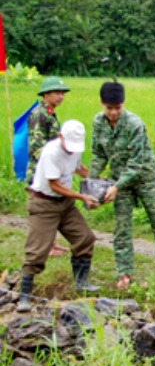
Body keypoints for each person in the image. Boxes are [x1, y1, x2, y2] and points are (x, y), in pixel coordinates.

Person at [89, 82, 155, 289]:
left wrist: (116, 187)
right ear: (101, 104)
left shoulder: (135, 124)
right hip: (120, 181)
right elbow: (99, 154)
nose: (114, 112)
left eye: (117, 107)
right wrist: (92, 180)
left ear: (123, 104)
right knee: (122, 227)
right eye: (109, 108)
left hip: (145, 178)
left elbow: (136, 163)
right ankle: (124, 273)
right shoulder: (98, 123)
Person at [17, 121, 100, 312]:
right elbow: (54, 185)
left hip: (65, 203)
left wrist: (96, 180)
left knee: (84, 238)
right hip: (44, 203)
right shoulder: (51, 152)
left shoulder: (75, 148)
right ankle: (24, 296)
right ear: (61, 136)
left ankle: (81, 282)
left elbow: (78, 167)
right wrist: (82, 197)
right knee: (37, 251)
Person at [28, 76, 72, 257]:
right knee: (43, 210)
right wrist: (51, 168)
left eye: (62, 93)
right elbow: (37, 147)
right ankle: (46, 245)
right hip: (41, 170)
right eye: (57, 93)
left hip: (51, 169)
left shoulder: (50, 113)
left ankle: (51, 242)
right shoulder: (40, 114)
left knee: (52, 207)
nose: (60, 96)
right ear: (45, 94)